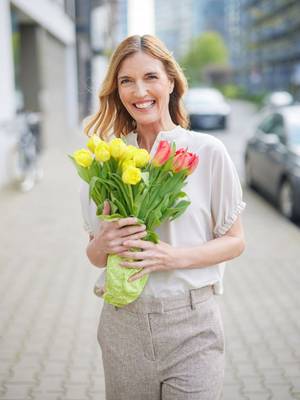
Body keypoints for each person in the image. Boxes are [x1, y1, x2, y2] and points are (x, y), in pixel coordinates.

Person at [79, 34, 246, 400]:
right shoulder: (107, 159)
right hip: (123, 323)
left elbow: (236, 240)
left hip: (192, 325)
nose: (139, 90)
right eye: (126, 81)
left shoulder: (207, 151)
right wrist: (103, 244)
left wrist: (175, 257)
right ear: (117, 90)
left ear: (171, 81)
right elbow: (94, 257)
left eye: (150, 77)